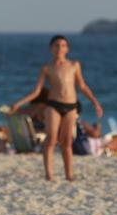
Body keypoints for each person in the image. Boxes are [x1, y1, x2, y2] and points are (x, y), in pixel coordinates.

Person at [11, 35, 103, 181]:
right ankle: (49, 174)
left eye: (63, 45)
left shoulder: (74, 65)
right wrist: (18, 103)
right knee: (51, 139)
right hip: (53, 105)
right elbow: (36, 91)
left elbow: (82, 86)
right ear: (51, 48)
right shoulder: (46, 68)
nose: (59, 48)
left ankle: (69, 175)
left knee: (66, 142)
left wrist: (95, 102)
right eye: (56, 45)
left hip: (71, 106)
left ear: (67, 49)